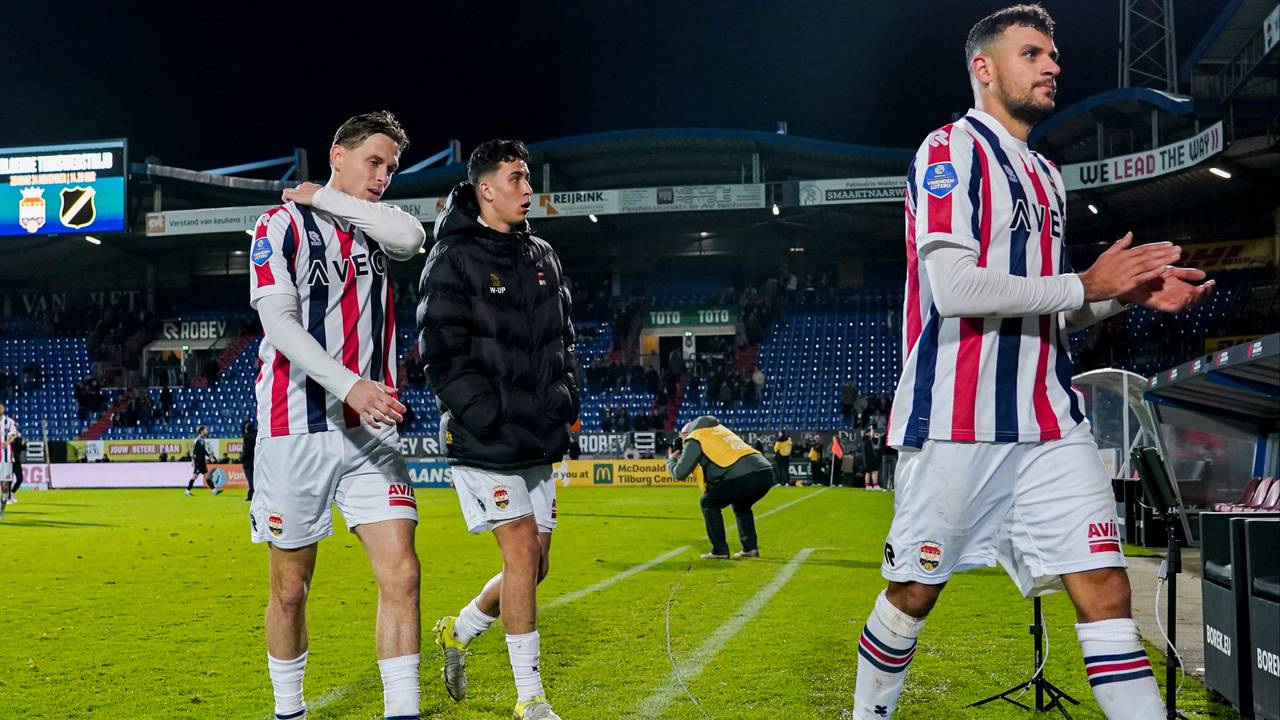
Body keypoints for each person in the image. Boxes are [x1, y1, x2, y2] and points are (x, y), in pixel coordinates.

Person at [850, 7, 1214, 719]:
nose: (1052, 66)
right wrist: (1089, 284)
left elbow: (1051, 307)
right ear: (984, 68)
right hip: (958, 419)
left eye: (1053, 55)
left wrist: (1121, 296)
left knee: (1104, 584)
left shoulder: (1048, 176)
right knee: (915, 592)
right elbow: (956, 290)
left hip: (1051, 420)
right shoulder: (949, 150)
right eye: (1032, 54)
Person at [247, 110, 427, 720]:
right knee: (290, 588)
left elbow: (412, 239)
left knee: (402, 574)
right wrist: (351, 386)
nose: (382, 176)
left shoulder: (375, 226)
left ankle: (402, 711)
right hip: (294, 427)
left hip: (370, 433)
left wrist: (325, 196)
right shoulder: (279, 225)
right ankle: (289, 711)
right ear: (338, 154)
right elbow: (280, 325)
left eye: (391, 168)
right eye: (373, 161)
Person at [418, 139, 578, 720]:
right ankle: (530, 698)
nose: (527, 188)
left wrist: (564, 400)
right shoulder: (453, 258)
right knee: (520, 555)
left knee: (536, 566)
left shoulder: (543, 254)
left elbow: (564, 342)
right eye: (516, 178)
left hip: (537, 436)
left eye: (528, 177)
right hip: (485, 440)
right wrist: (486, 415)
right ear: (485, 188)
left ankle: (457, 631)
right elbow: (440, 354)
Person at [668, 416, 774, 559]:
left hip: (743, 475)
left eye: (682, 437)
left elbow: (680, 473)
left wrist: (671, 461)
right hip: (765, 472)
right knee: (741, 506)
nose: (682, 441)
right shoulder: (718, 430)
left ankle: (719, 550)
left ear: (688, 433)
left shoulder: (695, 437)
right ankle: (750, 549)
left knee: (708, 502)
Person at [186, 426, 218, 496]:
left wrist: (209, 457)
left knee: (207, 476)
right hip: (198, 462)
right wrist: (193, 460)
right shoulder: (198, 440)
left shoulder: (202, 439)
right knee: (195, 477)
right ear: (202, 431)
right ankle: (187, 491)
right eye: (205, 430)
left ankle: (214, 491)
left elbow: (204, 450)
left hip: (203, 461)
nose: (207, 431)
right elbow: (194, 451)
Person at [0, 403, 18, 517]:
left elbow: (13, 435)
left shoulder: (9, 421)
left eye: (0, 408)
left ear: (3, 409)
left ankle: (1, 510)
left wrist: (7, 442)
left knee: (5, 486)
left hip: (5, 458)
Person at [241, 418, 257, 502]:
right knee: (255, 478)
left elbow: (246, 450)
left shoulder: (246, 438)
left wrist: (241, 458)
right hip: (255, 460)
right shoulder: (256, 436)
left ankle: (252, 495)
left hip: (247, 461)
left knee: (250, 479)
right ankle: (252, 494)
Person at [8, 432, 27, 501]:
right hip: (9, 462)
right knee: (9, 480)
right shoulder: (7, 441)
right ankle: (8, 497)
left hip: (17, 462)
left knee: (20, 479)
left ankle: (12, 492)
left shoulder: (18, 440)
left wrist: (23, 443)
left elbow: (23, 448)